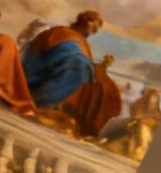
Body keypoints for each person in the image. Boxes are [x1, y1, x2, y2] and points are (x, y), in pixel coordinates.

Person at [22, 10, 126, 138]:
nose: (95, 32)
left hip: (49, 69)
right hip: (38, 71)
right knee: (81, 67)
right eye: (95, 28)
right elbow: (70, 57)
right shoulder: (65, 34)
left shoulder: (76, 39)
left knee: (92, 76)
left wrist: (98, 68)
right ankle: (38, 101)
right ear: (88, 23)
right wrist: (87, 66)